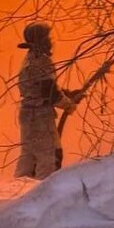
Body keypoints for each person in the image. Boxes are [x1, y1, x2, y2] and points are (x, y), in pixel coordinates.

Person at [13, 22, 76, 179]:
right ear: (41, 40)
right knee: (49, 157)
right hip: (40, 115)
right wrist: (68, 105)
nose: (50, 41)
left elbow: (42, 88)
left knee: (29, 156)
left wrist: (65, 94)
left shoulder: (28, 59)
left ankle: (21, 189)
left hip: (27, 113)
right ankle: (44, 190)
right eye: (47, 38)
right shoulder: (42, 61)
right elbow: (49, 92)